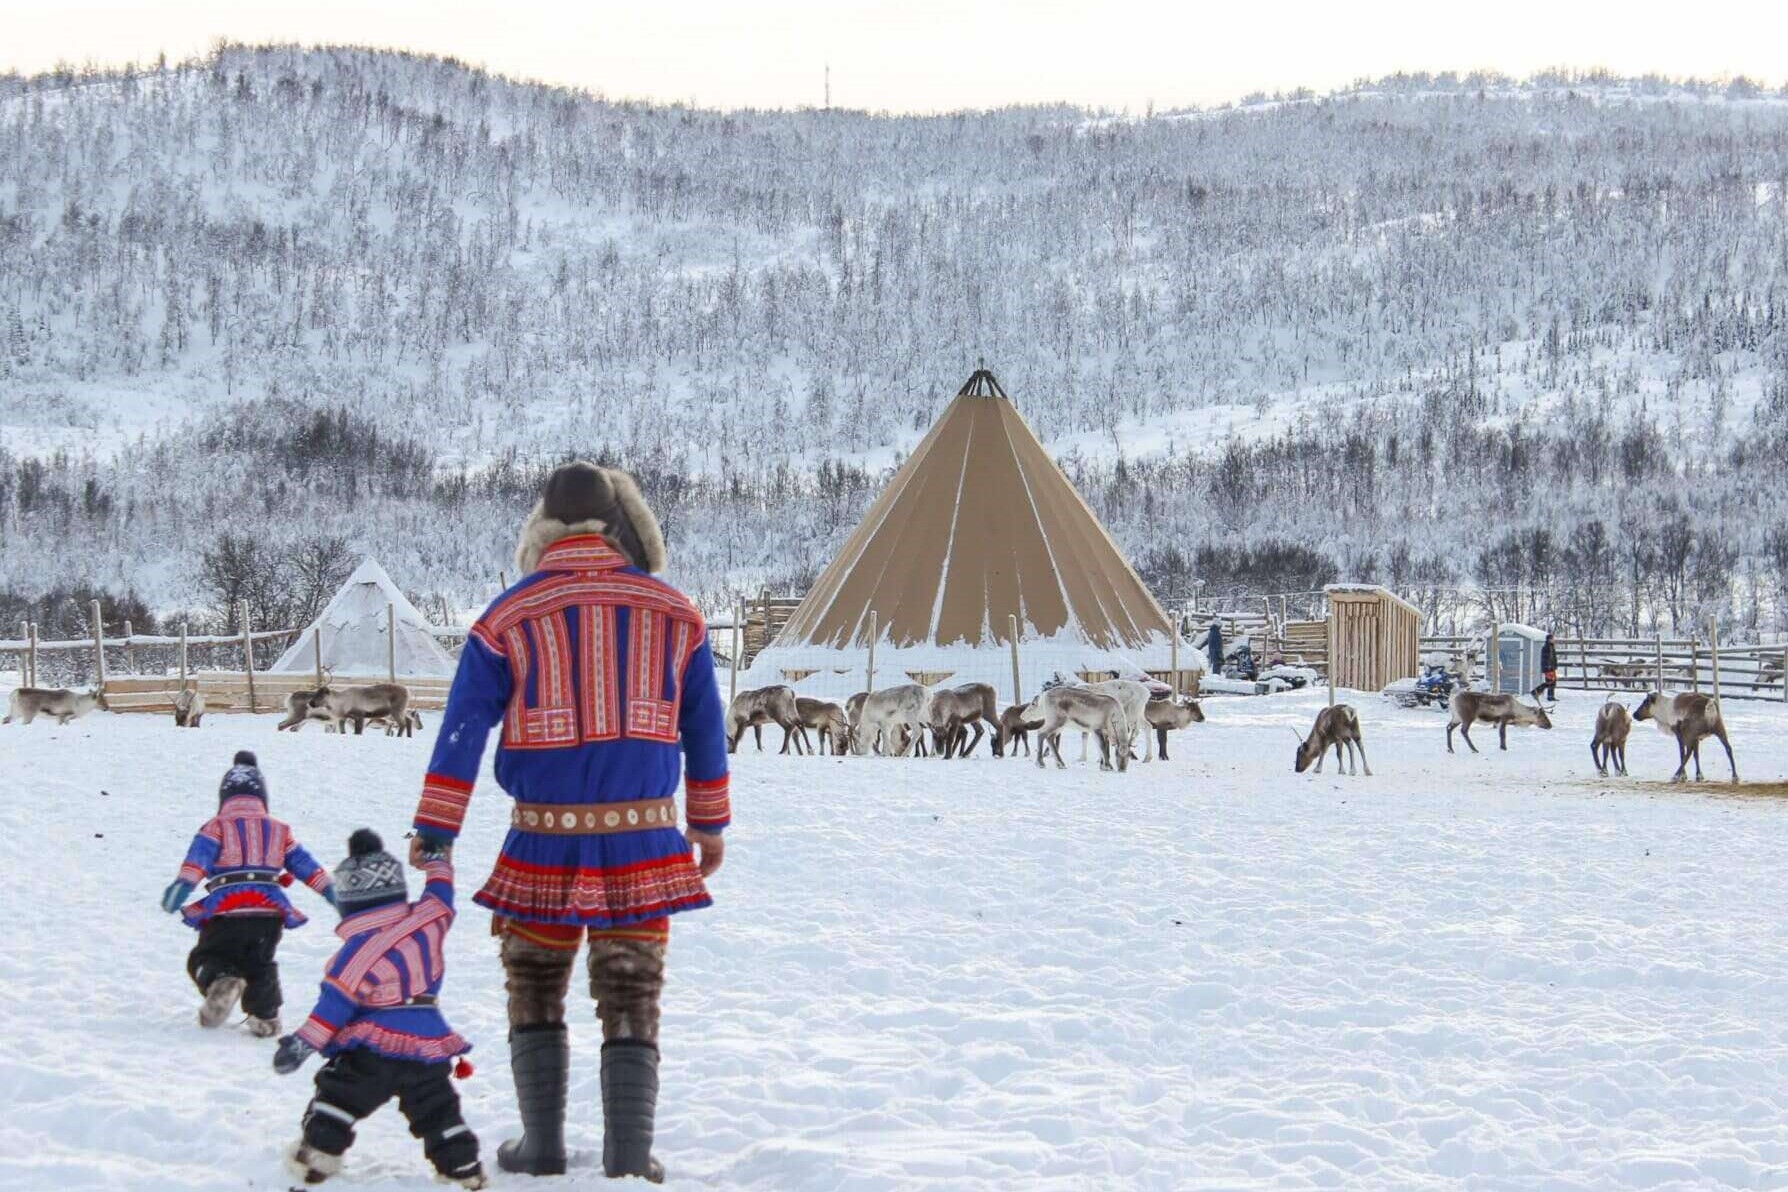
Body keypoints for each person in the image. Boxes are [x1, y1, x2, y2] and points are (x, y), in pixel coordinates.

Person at [410, 460, 731, 1182]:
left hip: (541, 838)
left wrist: (436, 831)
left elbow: (462, 729)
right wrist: (708, 824)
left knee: (534, 979)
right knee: (631, 985)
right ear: (621, 524)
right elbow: (705, 727)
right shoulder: (675, 613)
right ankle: (627, 1154)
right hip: (645, 836)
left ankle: (543, 1145)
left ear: (545, 527)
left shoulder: (505, 618)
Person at [274, 830, 486, 1189]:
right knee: (437, 1108)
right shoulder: (429, 922)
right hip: (426, 1046)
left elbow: (334, 1004)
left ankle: (318, 1156)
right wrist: (436, 859)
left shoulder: (358, 952)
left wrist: (302, 1043)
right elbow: (441, 893)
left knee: (339, 1096)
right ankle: (463, 1168)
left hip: (372, 1051)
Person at [159, 750, 335, 1037]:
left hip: (227, 909)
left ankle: (221, 981)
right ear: (262, 797)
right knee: (260, 964)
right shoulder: (279, 829)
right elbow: (303, 863)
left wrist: (181, 887)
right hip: (269, 911)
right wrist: (329, 889)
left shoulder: (216, 826)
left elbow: (198, 860)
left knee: (209, 954)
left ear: (224, 797)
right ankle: (265, 1017)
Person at [1534, 632, 1559, 703]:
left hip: (1552, 667)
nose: (1554, 640)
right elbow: (1546, 658)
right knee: (1550, 682)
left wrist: (1554, 665)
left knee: (1552, 682)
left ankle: (1551, 696)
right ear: (1549, 639)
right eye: (1552, 639)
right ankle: (1537, 692)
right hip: (1548, 668)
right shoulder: (1546, 647)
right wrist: (1548, 666)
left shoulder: (1551, 647)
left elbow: (1553, 658)